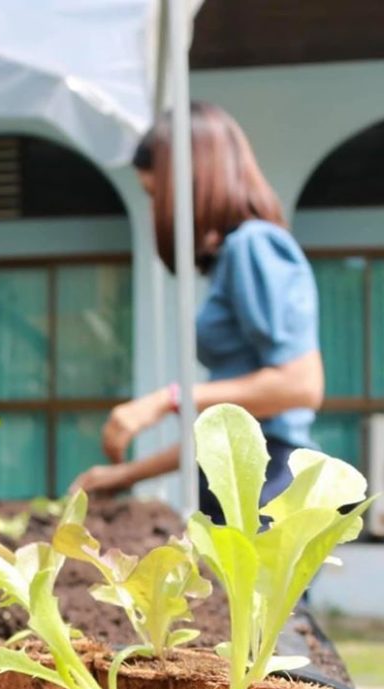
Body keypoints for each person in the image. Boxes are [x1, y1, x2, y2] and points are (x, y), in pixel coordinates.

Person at [70, 101, 324, 521]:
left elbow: (300, 384)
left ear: (191, 180)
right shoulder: (233, 257)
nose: (156, 210)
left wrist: (166, 400)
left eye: (156, 194)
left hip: (268, 485)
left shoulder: (254, 245)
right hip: (241, 480)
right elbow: (232, 426)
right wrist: (127, 474)